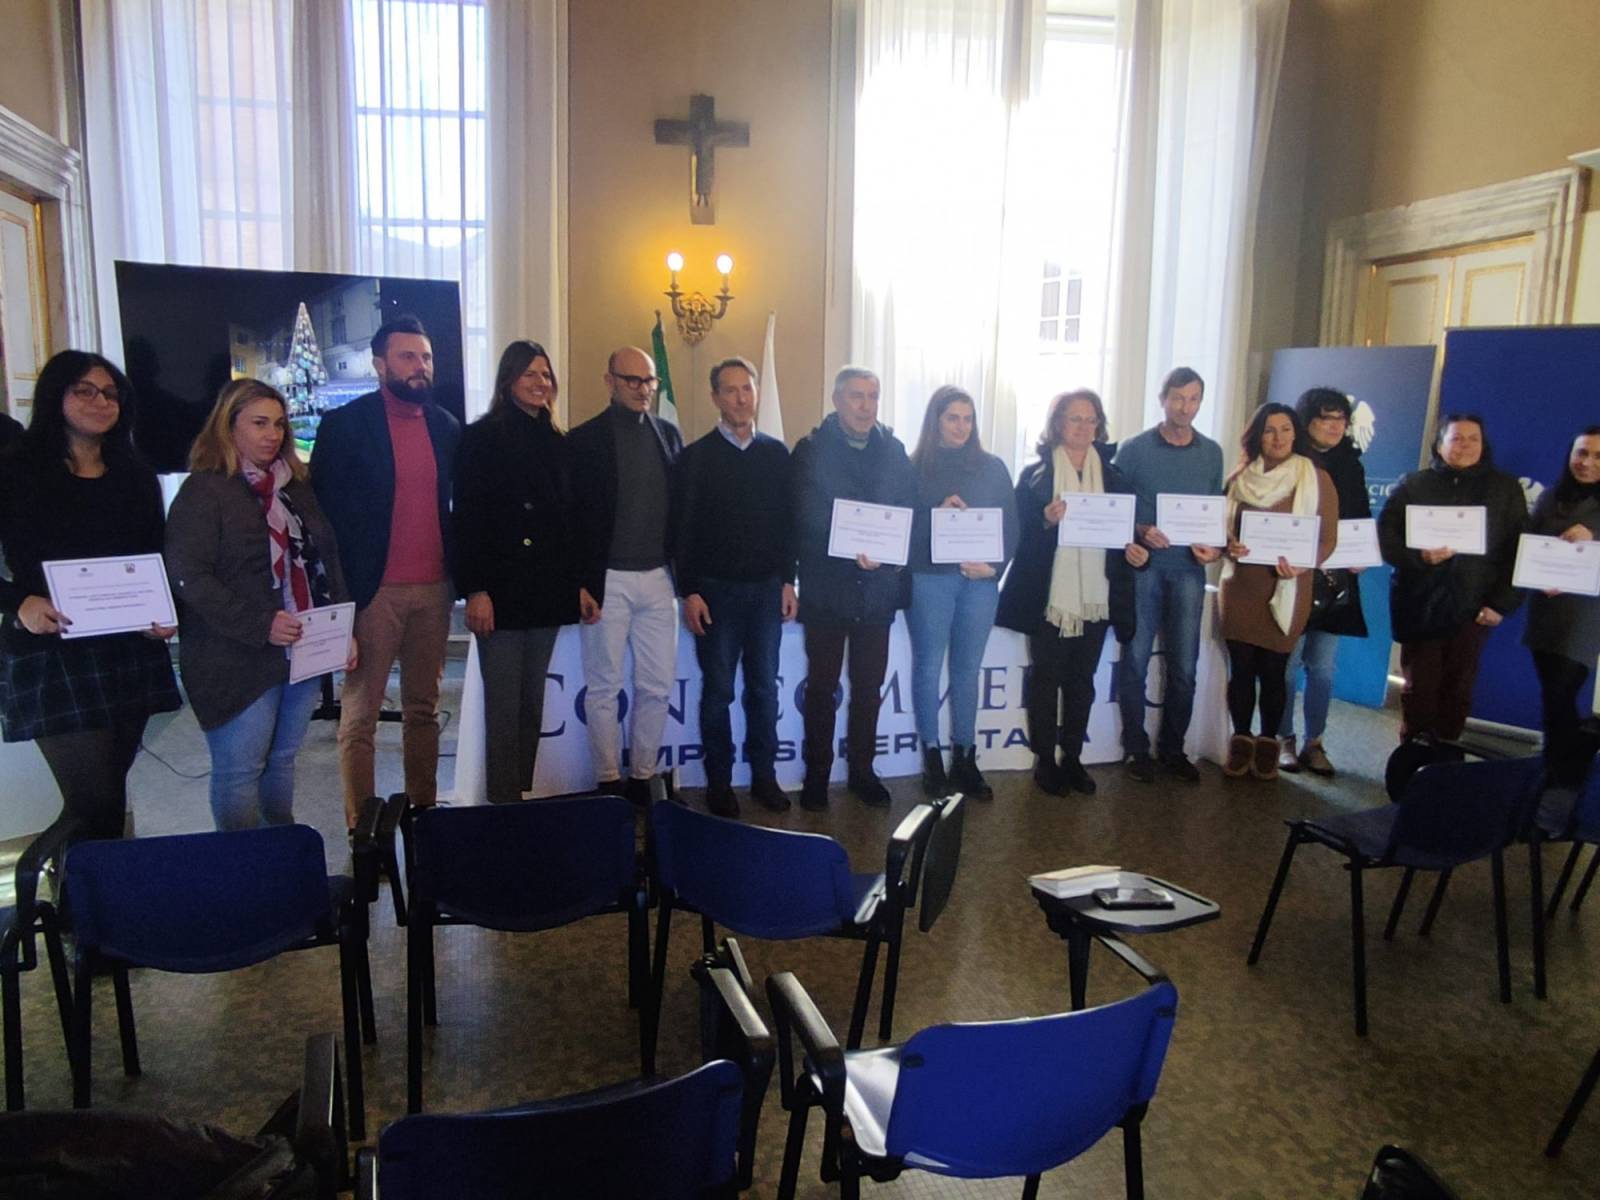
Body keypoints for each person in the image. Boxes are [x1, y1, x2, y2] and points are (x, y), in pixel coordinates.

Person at [0, 350, 180, 844]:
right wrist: (18, 603)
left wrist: (164, 610)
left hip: (126, 649)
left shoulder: (135, 475)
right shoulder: (15, 470)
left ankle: (81, 890)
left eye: (111, 394)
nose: (101, 402)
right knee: (93, 802)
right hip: (52, 652)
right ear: (55, 396)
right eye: (85, 390)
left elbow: (153, 555)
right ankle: (59, 886)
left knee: (108, 801)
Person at [165, 379, 354, 830]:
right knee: (240, 771)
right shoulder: (204, 490)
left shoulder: (295, 486)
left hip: (302, 648)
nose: (272, 435)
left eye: (279, 424)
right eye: (259, 423)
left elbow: (326, 558)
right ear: (228, 427)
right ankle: (243, 864)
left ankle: (281, 851)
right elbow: (190, 576)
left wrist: (342, 629)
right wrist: (260, 623)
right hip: (232, 656)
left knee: (283, 759)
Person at [310, 315, 460, 827]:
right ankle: (363, 829)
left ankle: (424, 812)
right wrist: (340, 599)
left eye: (426, 357)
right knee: (360, 718)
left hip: (434, 591)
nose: (420, 366)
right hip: (373, 592)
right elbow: (324, 519)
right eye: (407, 356)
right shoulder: (345, 426)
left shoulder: (446, 427)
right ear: (379, 365)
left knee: (423, 710)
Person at [997, 389, 1145, 796]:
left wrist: (1137, 554)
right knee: (1046, 679)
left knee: (1082, 680)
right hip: (1049, 598)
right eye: (1074, 418)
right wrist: (1044, 520)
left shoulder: (1115, 479)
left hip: (1097, 598)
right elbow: (1017, 535)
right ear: (1058, 424)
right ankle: (1045, 760)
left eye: (1090, 419)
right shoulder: (1035, 476)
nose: (1083, 427)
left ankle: (1073, 758)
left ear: (1099, 426)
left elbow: (1127, 539)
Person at [453, 340, 580, 803]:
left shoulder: (559, 443)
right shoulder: (480, 438)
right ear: (508, 380)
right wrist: (476, 589)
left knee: (531, 704)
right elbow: (467, 520)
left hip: (546, 591)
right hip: (500, 592)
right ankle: (501, 804)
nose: (540, 383)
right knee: (503, 708)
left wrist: (578, 585)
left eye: (545, 374)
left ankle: (519, 795)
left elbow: (569, 522)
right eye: (529, 374)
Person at [673, 356, 796, 818]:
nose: (741, 398)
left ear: (757, 394)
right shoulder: (695, 458)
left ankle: (764, 777)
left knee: (764, 690)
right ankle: (720, 783)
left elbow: (788, 526)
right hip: (716, 592)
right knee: (719, 691)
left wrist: (788, 580)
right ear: (715, 397)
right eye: (730, 390)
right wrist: (689, 591)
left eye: (747, 388)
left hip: (766, 591)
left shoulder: (777, 454)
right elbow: (682, 530)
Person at [792, 366, 917, 810]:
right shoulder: (810, 450)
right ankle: (817, 776)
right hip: (827, 588)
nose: (866, 406)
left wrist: (886, 550)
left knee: (869, 688)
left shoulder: (894, 450)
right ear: (837, 400)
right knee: (822, 688)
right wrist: (852, 547)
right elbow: (805, 514)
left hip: (877, 590)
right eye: (857, 396)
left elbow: (907, 508)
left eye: (873, 396)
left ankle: (863, 772)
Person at [569, 346, 684, 803]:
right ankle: (607, 782)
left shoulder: (669, 435)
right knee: (604, 687)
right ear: (610, 381)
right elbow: (573, 518)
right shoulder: (583, 440)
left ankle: (642, 778)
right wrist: (581, 580)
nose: (642, 389)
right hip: (607, 578)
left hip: (659, 578)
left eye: (649, 381)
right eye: (632, 380)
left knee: (657, 686)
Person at [1378, 413, 1526, 745]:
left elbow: (1518, 550)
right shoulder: (1413, 485)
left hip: (1474, 608)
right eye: (1456, 438)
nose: (1465, 445)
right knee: (1419, 691)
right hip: (1420, 605)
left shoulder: (1505, 489)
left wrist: (1501, 603)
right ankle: (1412, 758)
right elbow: (1386, 538)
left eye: (1473, 439)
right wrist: (1420, 557)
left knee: (1458, 691)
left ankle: (1445, 758)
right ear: (1440, 444)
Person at [1112, 367, 1224, 783]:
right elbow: (1115, 507)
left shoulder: (1212, 453)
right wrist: (1140, 529)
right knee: (1135, 662)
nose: (1185, 407)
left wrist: (1214, 547)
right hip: (1144, 569)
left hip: (1190, 571)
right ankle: (1135, 749)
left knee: (1185, 668)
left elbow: (1213, 511)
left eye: (1193, 399)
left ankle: (1174, 749)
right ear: (1163, 400)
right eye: (1177, 398)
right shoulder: (1134, 449)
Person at [906, 385, 1017, 800]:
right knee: (928, 666)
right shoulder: (913, 468)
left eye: (968, 419)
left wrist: (995, 568)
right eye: (953, 418)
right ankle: (932, 758)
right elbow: (902, 532)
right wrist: (935, 517)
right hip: (929, 579)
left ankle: (966, 758)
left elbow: (1012, 527)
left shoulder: (993, 467)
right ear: (935, 420)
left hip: (980, 582)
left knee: (968, 670)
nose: (961, 427)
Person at [1218, 404, 1337, 780]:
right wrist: (1228, 545)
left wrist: (1303, 563)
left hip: (1287, 587)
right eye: (1270, 430)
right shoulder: (1238, 478)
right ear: (1257, 436)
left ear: (1296, 434)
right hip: (1240, 588)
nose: (1278, 437)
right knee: (1241, 670)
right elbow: (1220, 530)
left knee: (1274, 671)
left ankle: (1269, 742)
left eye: (1286, 429)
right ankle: (1241, 739)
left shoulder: (1315, 478)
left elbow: (1328, 539)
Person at [1277, 387, 1371, 776]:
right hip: (1294, 577)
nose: (1335, 426)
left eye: (1341, 419)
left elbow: (1360, 517)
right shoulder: (1290, 461)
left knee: (1323, 667)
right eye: (1325, 418)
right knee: (1287, 666)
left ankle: (1314, 741)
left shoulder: (1352, 464)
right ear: (1307, 421)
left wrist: (1363, 554)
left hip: (1337, 580)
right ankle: (1283, 739)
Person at [1523, 426, 1600, 787]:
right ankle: (1558, 766)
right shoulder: (1551, 497)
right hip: (1547, 611)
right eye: (1581, 453)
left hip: (1585, 617)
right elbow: (1529, 542)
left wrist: (1593, 537)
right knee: (1551, 692)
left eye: (1598, 456)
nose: (1587, 462)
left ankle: (1562, 774)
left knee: (1561, 691)